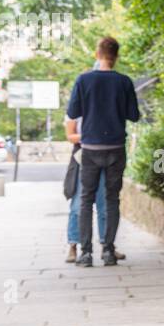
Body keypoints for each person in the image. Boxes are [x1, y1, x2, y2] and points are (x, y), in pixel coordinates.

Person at [66, 36, 140, 267]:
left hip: (90, 149)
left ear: (97, 55)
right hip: (116, 149)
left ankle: (85, 254)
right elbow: (134, 115)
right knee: (111, 199)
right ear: (116, 56)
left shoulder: (84, 80)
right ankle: (108, 251)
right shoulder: (124, 82)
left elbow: (73, 111)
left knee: (86, 199)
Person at [63, 115, 124, 263]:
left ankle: (107, 245)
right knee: (78, 205)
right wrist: (92, 136)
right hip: (83, 157)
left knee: (104, 205)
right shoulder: (75, 111)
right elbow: (70, 136)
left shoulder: (105, 106)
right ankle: (73, 245)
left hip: (106, 156)